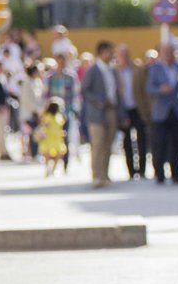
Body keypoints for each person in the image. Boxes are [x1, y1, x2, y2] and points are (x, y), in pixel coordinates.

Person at [81, 41, 120, 188]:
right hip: (97, 113)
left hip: (111, 110)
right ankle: (97, 176)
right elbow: (85, 90)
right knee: (97, 144)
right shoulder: (93, 69)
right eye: (110, 52)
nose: (111, 55)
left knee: (108, 144)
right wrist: (99, 101)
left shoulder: (112, 70)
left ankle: (105, 174)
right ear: (102, 52)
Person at [147, 43, 178, 184]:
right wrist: (160, 90)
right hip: (160, 112)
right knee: (159, 144)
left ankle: (176, 173)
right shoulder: (154, 69)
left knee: (177, 143)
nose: (168, 55)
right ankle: (159, 174)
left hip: (177, 110)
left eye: (170, 52)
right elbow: (149, 88)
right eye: (165, 52)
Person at [115, 45, 149, 180]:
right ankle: (130, 170)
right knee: (127, 141)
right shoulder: (115, 72)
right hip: (124, 110)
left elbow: (144, 91)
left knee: (141, 140)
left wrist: (147, 110)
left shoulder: (138, 69)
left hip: (137, 108)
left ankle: (142, 169)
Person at [46, 53, 78, 172]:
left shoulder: (70, 76)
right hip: (53, 113)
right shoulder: (50, 77)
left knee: (65, 137)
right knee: (52, 137)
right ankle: (53, 163)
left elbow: (75, 94)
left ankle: (65, 163)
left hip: (66, 111)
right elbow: (46, 94)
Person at [18, 63, 46, 160]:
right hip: (30, 113)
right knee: (32, 134)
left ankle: (37, 152)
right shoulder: (27, 83)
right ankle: (33, 154)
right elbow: (27, 100)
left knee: (37, 133)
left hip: (38, 112)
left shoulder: (37, 82)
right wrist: (36, 110)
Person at [38, 99, 67, 176]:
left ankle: (53, 169)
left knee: (59, 153)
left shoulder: (59, 116)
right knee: (47, 154)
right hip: (49, 137)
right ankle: (48, 169)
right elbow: (44, 125)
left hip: (57, 138)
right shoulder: (48, 116)